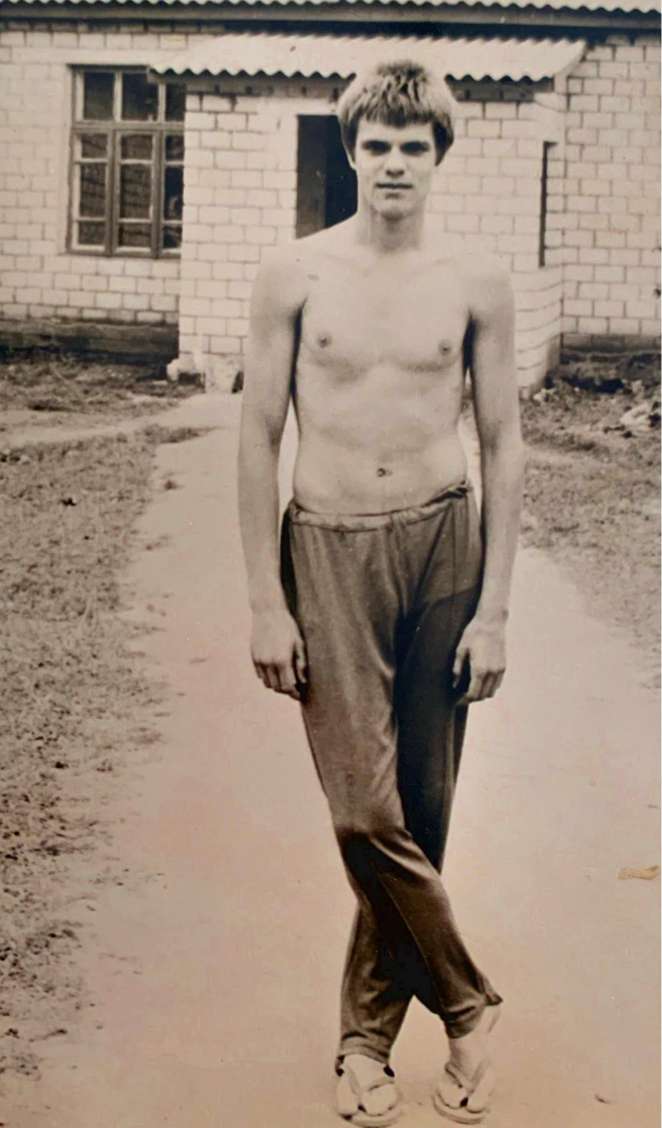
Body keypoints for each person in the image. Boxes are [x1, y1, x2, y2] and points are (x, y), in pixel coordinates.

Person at [237, 57, 524, 1126]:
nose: (393, 163)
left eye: (412, 146)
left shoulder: (475, 281)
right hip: (327, 545)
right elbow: (256, 437)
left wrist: (494, 610)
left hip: (444, 543)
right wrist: (266, 601)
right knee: (364, 809)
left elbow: (502, 441)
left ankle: (364, 1048)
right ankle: (467, 1003)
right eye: (376, 145)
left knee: (422, 810)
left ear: (438, 157)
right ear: (350, 152)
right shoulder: (294, 274)